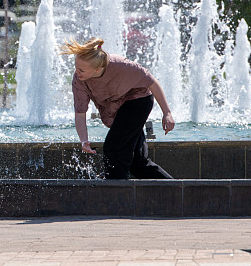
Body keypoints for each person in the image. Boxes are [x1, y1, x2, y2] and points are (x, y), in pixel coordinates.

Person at [60, 37, 174, 179]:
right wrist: (84, 140)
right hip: (116, 109)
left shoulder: (120, 65)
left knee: (114, 148)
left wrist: (167, 113)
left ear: (97, 69)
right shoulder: (79, 81)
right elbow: (80, 113)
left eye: (81, 69)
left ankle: (116, 190)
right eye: (76, 67)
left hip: (138, 101)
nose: (77, 72)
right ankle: (176, 190)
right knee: (137, 163)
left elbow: (152, 82)